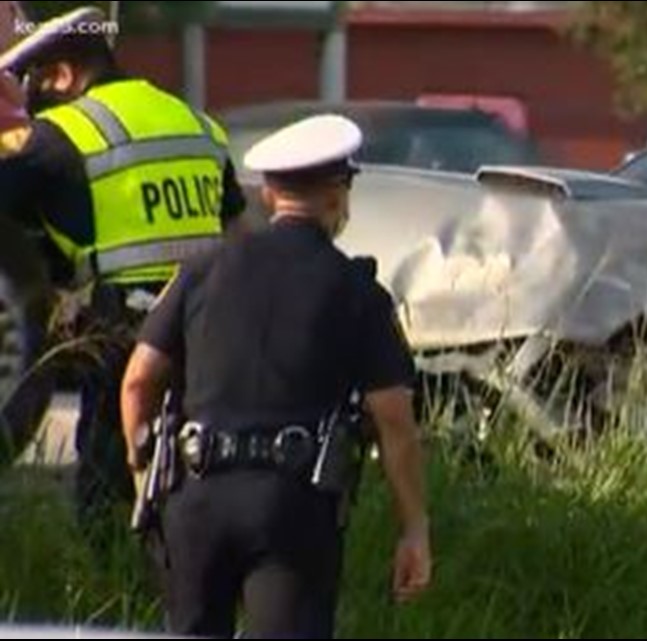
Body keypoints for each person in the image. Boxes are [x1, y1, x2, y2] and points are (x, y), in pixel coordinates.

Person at [118, 113, 432, 638]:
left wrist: (142, 473)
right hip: (291, 508)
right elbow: (394, 418)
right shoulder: (355, 289)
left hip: (194, 499)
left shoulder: (200, 270)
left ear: (267, 194)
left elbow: (138, 381)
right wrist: (414, 530)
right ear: (338, 195)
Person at [0, 6, 246, 537]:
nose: (31, 100)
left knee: (108, 498)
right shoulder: (195, 122)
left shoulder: (60, 135)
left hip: (125, 340)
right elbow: (237, 231)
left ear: (62, 75)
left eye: (33, 83)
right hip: (211, 331)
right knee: (197, 483)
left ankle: (117, 580)